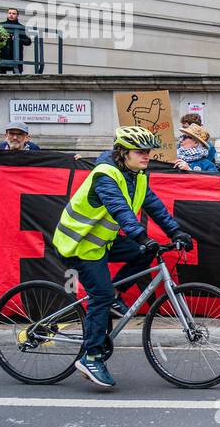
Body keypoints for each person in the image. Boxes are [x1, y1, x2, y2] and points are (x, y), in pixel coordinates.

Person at [52, 126, 193, 389]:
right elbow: (119, 209)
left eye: (148, 151)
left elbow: (154, 206)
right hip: (78, 243)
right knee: (101, 295)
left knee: (145, 254)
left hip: (102, 241)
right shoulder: (105, 175)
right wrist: (141, 236)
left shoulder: (138, 175)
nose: (147, 156)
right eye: (140, 151)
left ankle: (115, 295)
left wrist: (176, 231)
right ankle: (91, 356)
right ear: (123, 152)